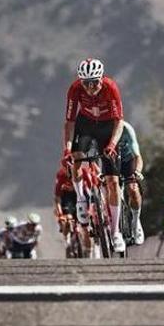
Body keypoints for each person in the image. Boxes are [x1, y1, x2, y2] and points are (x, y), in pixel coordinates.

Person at [61, 58, 128, 253]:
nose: (90, 88)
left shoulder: (111, 88)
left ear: (101, 78)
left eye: (94, 82)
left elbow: (119, 121)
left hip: (108, 127)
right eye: (86, 83)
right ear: (80, 81)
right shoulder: (75, 89)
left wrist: (112, 144)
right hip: (86, 124)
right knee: (76, 157)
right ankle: (82, 198)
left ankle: (116, 233)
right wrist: (66, 149)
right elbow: (70, 123)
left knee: (113, 182)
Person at [116, 120, 145, 245]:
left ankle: (136, 221)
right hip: (110, 162)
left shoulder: (127, 129)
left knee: (133, 189)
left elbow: (138, 156)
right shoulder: (100, 129)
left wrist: (137, 172)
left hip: (128, 161)